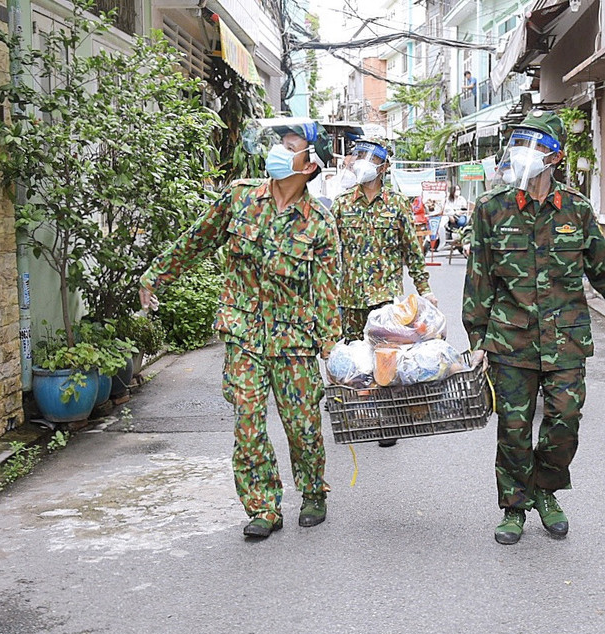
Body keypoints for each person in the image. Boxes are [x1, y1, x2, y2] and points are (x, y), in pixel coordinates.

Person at [139, 118, 340, 539]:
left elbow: (325, 286)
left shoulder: (319, 221)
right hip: (244, 331)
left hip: (295, 337)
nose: (280, 151)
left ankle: (313, 490)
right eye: (280, 143)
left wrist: (330, 342)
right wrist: (155, 277)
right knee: (247, 422)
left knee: (302, 425)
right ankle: (264, 506)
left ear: (309, 165)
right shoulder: (240, 198)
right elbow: (196, 240)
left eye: (292, 145)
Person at [462, 109, 605, 546]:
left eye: (535, 145)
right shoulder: (491, 210)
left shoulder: (576, 210)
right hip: (510, 339)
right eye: (520, 143)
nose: (524, 154)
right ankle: (514, 506)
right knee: (513, 427)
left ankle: (546, 491)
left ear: (555, 157)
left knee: (564, 421)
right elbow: (480, 279)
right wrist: (477, 339)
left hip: (566, 339)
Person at [329, 136, 437, 447]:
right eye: (358, 155)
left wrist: (425, 289)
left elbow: (412, 253)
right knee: (351, 358)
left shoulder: (397, 206)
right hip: (349, 297)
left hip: (386, 300)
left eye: (370, 158)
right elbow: (326, 251)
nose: (361, 162)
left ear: (384, 167)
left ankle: (387, 420)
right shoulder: (341, 205)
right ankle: (354, 411)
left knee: (385, 360)